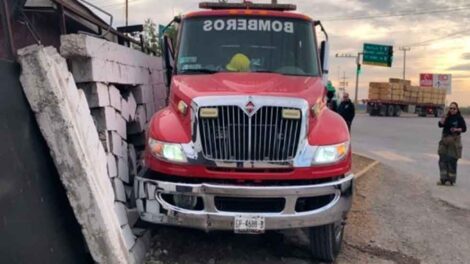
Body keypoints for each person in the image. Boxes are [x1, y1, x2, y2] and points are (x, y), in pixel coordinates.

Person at [437, 102, 467, 185]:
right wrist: (442, 120)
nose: (452, 110)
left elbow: (464, 129)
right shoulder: (447, 117)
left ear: (457, 109)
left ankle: (451, 180)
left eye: (454, 108)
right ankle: (443, 179)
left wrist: (457, 130)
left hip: (454, 141)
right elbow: (440, 125)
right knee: (442, 158)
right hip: (444, 139)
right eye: (450, 108)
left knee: (451, 159)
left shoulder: (459, 118)